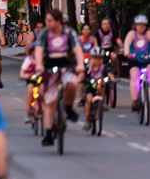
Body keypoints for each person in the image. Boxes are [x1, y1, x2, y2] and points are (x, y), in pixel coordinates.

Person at [33, 9, 85, 146]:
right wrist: (39, 64)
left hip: (67, 65)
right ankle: (48, 133)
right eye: (46, 20)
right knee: (49, 102)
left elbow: (77, 50)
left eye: (49, 20)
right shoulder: (44, 33)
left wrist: (80, 64)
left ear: (58, 21)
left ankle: (68, 107)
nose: (47, 23)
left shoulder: (69, 33)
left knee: (72, 84)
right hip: (49, 67)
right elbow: (38, 50)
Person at [82, 47, 115, 131]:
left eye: (100, 58)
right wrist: (83, 80)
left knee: (100, 87)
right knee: (89, 100)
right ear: (92, 58)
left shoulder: (103, 67)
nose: (97, 60)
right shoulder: (88, 68)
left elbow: (109, 73)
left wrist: (112, 78)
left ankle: (102, 102)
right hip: (90, 86)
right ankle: (87, 118)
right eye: (95, 58)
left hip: (99, 85)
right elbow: (84, 76)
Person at [123, 14, 150, 112]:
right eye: (139, 25)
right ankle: (135, 101)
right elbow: (126, 44)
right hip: (135, 60)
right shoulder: (132, 34)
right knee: (135, 77)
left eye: (143, 25)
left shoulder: (148, 33)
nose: (141, 27)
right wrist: (127, 53)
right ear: (135, 25)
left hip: (147, 59)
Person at [21, 20, 44, 124]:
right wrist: (23, 75)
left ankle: (43, 109)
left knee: (42, 91)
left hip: (41, 78)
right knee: (30, 91)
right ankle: (29, 113)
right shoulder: (29, 59)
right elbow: (23, 70)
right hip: (31, 78)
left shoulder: (42, 59)